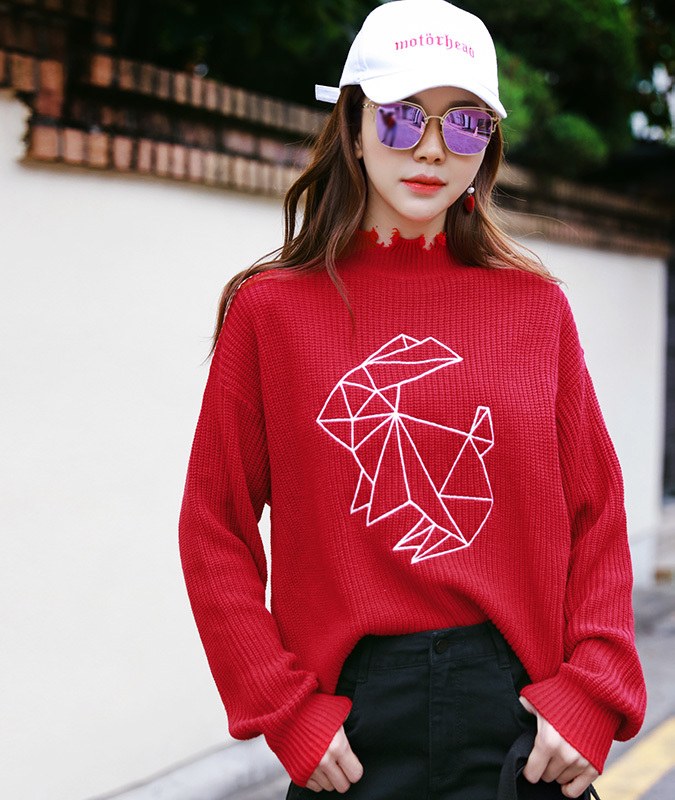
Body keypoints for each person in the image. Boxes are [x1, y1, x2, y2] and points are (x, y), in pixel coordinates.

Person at [178, 1, 647, 799]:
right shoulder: (272, 312)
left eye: (465, 123)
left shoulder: (536, 309)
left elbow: (596, 511)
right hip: (354, 733)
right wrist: (282, 708)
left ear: (487, 144)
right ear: (353, 126)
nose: (432, 148)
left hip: (520, 723)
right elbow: (213, 525)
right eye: (400, 117)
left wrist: (594, 690)